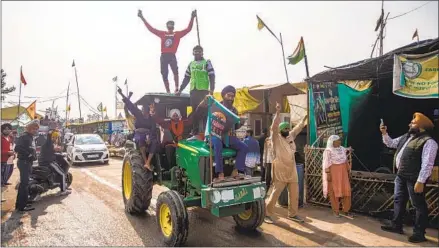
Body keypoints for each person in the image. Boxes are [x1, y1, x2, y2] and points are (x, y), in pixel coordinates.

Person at [380, 113, 438, 243]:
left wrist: (421, 181)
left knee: (418, 205)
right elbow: (390, 143)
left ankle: (419, 233)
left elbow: (427, 164)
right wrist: (384, 133)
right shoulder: (406, 137)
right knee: (399, 200)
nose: (409, 124)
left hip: (415, 178)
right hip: (401, 176)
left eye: (412, 123)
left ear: (421, 126)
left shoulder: (429, 142)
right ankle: (396, 225)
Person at [265, 102, 307, 224]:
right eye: (285, 128)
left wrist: (305, 118)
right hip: (280, 170)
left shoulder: (290, 137)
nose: (287, 130)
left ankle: (293, 214)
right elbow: (273, 127)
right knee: (275, 193)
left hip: (292, 170)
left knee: (294, 194)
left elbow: (298, 128)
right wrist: (278, 112)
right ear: (280, 130)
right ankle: (267, 213)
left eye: (288, 128)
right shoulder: (276, 138)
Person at [138, 9, 196, 93]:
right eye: (169, 24)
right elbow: (151, 29)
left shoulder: (177, 34)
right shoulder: (163, 34)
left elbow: (188, 29)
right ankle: (168, 90)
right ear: (167, 26)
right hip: (164, 55)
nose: (170, 25)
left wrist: (192, 17)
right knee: (164, 74)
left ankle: (176, 88)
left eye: (172, 24)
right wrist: (142, 17)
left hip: (172, 55)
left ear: (173, 26)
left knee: (175, 71)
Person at [198, 86, 247, 182]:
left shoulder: (234, 111)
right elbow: (200, 109)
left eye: (233, 96)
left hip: (227, 137)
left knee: (244, 147)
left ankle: (236, 171)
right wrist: (205, 100)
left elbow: (234, 127)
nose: (231, 98)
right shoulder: (214, 106)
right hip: (213, 135)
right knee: (217, 144)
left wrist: (241, 123)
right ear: (223, 95)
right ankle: (220, 173)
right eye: (229, 95)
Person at [176, 45, 216, 135]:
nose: (197, 53)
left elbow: (212, 76)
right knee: (194, 111)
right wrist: (180, 90)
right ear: (193, 53)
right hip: (193, 90)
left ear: (202, 53)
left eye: (199, 51)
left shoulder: (207, 62)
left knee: (205, 111)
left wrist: (212, 89)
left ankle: (207, 132)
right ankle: (195, 131)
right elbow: (186, 78)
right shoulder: (191, 64)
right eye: (195, 51)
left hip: (203, 91)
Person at [119, 89, 158, 172]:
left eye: (145, 109)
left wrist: (150, 138)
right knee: (141, 139)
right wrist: (121, 94)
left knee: (154, 142)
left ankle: (148, 162)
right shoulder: (138, 114)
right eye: (143, 109)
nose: (143, 110)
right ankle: (145, 162)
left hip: (148, 134)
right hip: (139, 133)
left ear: (148, 110)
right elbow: (129, 105)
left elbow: (153, 129)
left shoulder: (151, 119)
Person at [322, 135, 353, 218]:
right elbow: (326, 163)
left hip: (343, 173)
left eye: (340, 140)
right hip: (333, 173)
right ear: (333, 142)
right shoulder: (328, 151)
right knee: (334, 192)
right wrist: (328, 174)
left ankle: (346, 210)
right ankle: (335, 211)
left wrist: (348, 170)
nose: (340, 142)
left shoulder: (342, 149)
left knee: (346, 190)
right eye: (338, 140)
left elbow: (345, 160)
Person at [14, 120, 40, 212]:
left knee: (24, 184)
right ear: (29, 128)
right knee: (24, 184)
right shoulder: (25, 136)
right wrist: (28, 154)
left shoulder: (30, 137)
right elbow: (17, 148)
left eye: (36, 129)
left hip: (27, 162)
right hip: (24, 162)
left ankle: (20, 204)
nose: (35, 130)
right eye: (33, 128)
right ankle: (22, 207)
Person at [39, 130, 71, 196]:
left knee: (58, 172)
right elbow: (55, 149)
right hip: (48, 162)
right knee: (62, 173)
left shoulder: (47, 143)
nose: (55, 139)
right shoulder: (49, 143)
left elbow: (51, 151)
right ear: (51, 137)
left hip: (43, 161)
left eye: (56, 137)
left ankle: (62, 185)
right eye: (54, 137)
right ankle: (63, 191)